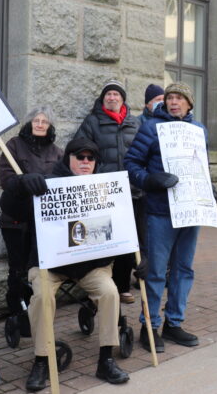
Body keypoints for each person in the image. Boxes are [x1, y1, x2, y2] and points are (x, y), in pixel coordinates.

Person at [1, 138, 130, 390]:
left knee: (110, 293)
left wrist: (141, 253)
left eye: (90, 158)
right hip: (50, 263)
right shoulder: (46, 184)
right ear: (67, 158)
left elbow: (125, 223)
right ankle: (41, 359)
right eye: (79, 157)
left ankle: (106, 359)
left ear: (95, 162)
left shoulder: (104, 186)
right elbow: (12, 209)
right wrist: (19, 186)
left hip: (91, 264)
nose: (84, 162)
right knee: (41, 298)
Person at [124, 82, 209, 353]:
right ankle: (149, 326)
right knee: (156, 272)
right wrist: (149, 180)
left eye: (180, 98)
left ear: (189, 104)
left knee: (184, 269)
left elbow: (200, 167)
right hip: (160, 211)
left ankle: (174, 323)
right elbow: (131, 164)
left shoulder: (199, 131)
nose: (174, 102)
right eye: (170, 97)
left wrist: (210, 188)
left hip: (191, 210)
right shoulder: (151, 128)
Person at [74, 79, 142, 304]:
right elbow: (78, 150)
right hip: (103, 193)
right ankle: (98, 289)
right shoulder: (92, 121)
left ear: (123, 99)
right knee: (101, 241)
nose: (112, 98)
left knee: (127, 243)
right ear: (103, 99)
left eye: (116, 94)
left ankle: (122, 287)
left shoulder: (134, 122)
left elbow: (144, 152)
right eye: (108, 95)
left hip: (131, 192)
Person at [0, 107, 64, 337]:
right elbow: (6, 177)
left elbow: (63, 180)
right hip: (16, 220)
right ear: (29, 123)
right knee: (17, 269)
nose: (39, 124)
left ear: (50, 126)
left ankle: (35, 311)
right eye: (36, 120)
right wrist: (23, 181)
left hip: (43, 222)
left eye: (44, 121)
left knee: (37, 269)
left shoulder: (57, 152)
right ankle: (17, 312)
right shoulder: (14, 145)